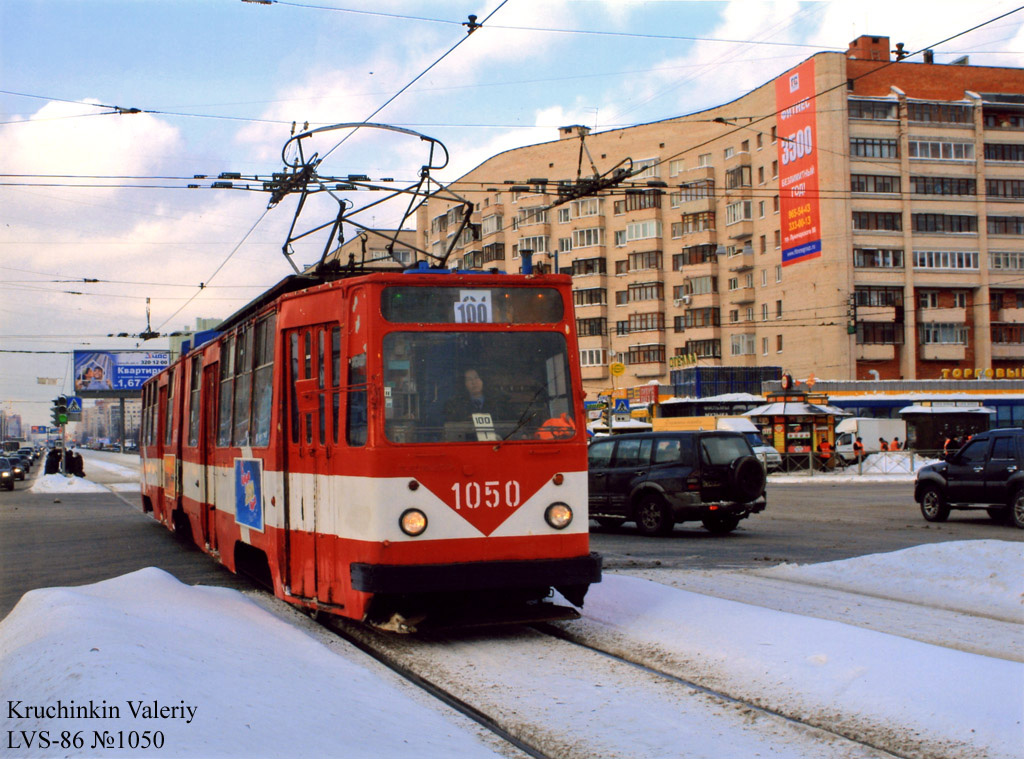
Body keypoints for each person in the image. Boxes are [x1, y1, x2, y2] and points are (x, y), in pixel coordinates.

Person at [444, 369, 511, 422]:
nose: (474, 382)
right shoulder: (455, 405)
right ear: (464, 384)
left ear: (483, 380)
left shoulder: (498, 401)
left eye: (476, 378)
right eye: (469, 379)